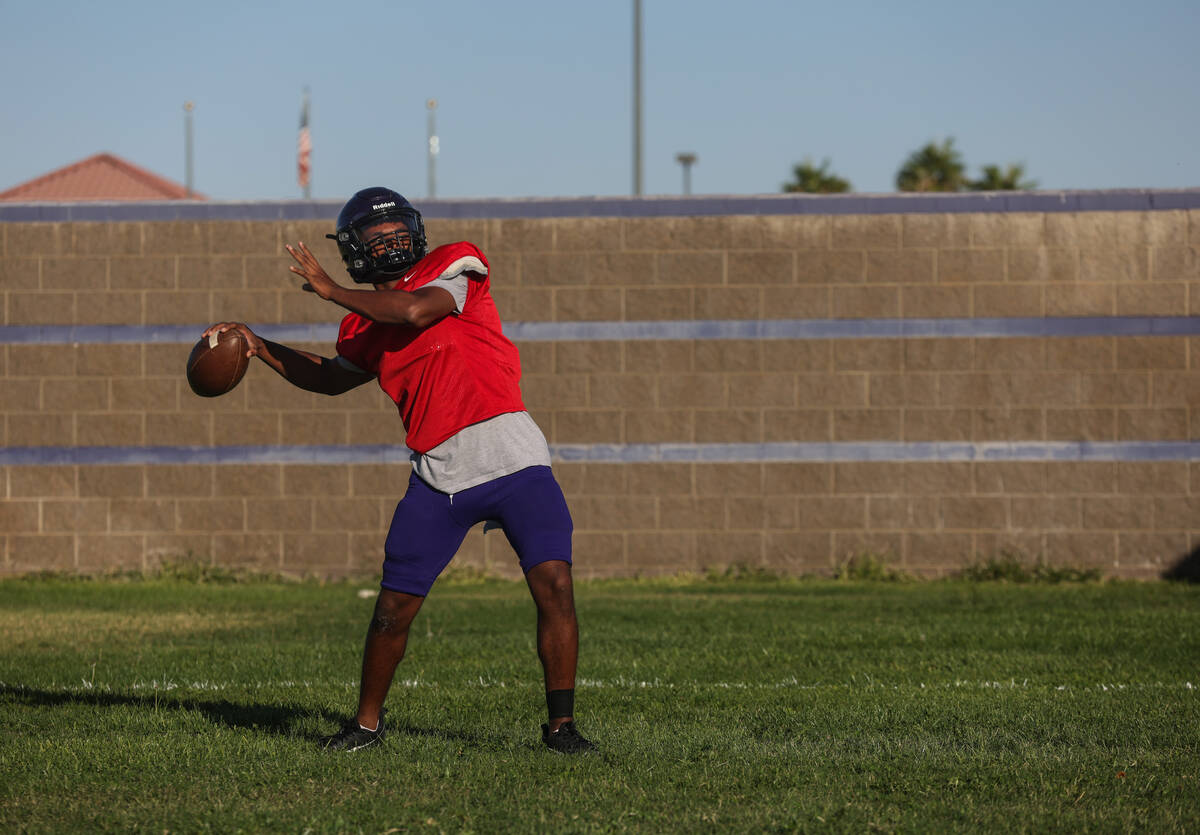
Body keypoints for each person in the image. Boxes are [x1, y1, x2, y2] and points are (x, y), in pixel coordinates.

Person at [203, 187, 594, 754]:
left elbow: (416, 310)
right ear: (356, 249)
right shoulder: (360, 327)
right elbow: (330, 379)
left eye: (398, 232)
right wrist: (260, 347)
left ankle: (561, 729)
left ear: (417, 231)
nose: (392, 243)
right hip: (440, 474)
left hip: (514, 458)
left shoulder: (456, 262)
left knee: (555, 584)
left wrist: (332, 291)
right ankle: (365, 725)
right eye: (376, 237)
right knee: (391, 611)